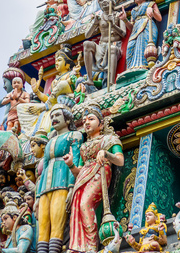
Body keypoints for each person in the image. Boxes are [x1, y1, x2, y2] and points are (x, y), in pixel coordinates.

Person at [64, 103, 123, 252]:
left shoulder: (108, 139)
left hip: (99, 172)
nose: (87, 123)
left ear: (101, 124)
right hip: (84, 176)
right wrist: (71, 164)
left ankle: (91, 246)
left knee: (85, 204)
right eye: (84, 121)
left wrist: (106, 154)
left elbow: (120, 160)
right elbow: (79, 170)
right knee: (77, 207)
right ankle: (79, 247)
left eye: (90, 119)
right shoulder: (84, 146)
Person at [36, 105, 83, 253]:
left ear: (68, 119)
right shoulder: (50, 141)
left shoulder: (74, 136)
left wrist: (71, 187)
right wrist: (37, 196)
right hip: (45, 188)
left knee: (57, 227)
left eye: (57, 115)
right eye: (52, 117)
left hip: (61, 184)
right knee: (42, 230)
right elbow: (43, 172)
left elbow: (74, 159)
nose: (54, 119)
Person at [17, 44, 80, 136]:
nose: (56, 63)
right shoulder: (54, 81)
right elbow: (48, 98)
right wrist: (37, 92)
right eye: (55, 61)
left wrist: (75, 74)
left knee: (62, 84)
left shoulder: (71, 74)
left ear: (67, 64)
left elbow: (75, 87)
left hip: (64, 103)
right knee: (21, 107)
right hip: (50, 106)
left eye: (59, 60)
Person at [83, 0, 126, 88]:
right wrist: (95, 23)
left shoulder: (117, 15)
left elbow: (123, 34)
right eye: (101, 0)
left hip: (115, 44)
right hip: (102, 46)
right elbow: (87, 35)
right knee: (87, 44)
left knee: (112, 48)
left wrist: (113, 25)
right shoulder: (99, 17)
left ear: (112, 1)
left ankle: (110, 82)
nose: (104, 1)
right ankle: (90, 79)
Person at [118, 0, 162, 70]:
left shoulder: (150, 4)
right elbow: (131, 27)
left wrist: (152, 11)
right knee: (131, 47)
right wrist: (124, 20)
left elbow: (159, 18)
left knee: (143, 46)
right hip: (135, 31)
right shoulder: (133, 11)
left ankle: (144, 67)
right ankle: (132, 68)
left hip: (147, 26)